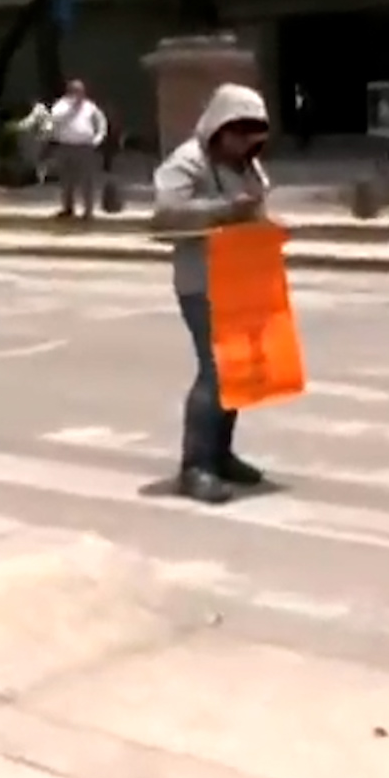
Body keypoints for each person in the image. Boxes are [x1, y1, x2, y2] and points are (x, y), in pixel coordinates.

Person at [151, 82, 272, 505]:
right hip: (201, 281)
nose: (244, 143)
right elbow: (164, 218)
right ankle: (195, 466)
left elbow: (255, 208)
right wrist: (223, 210)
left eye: (253, 134)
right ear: (219, 126)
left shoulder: (247, 166)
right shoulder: (187, 162)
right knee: (215, 370)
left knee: (236, 370)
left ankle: (221, 454)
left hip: (242, 278)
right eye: (238, 132)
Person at [47, 78, 109, 219]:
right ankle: (68, 208)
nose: (79, 94)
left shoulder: (90, 106)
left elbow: (101, 121)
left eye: (81, 91)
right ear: (70, 91)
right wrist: (72, 109)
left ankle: (88, 210)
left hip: (85, 147)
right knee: (66, 179)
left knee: (87, 179)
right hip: (66, 146)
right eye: (76, 91)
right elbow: (55, 120)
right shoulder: (61, 105)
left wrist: (98, 138)